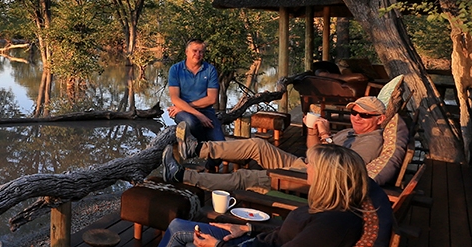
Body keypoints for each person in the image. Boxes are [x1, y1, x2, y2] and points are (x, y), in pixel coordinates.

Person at [157, 144, 375, 247]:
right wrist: (248, 229)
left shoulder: (333, 224)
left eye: (311, 164)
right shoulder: (328, 207)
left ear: (326, 176)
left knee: (178, 231)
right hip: (254, 239)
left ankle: (181, 173)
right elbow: (289, 235)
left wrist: (218, 246)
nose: (306, 166)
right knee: (178, 228)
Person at [162, 96, 390, 192]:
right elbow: (314, 152)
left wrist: (327, 135)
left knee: (247, 177)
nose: (356, 118)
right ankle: (195, 149)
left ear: (380, 119)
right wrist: (312, 131)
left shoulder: (371, 141)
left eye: (364, 115)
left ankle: (181, 176)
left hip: (314, 180)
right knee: (257, 145)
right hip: (307, 164)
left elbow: (339, 168)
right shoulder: (350, 132)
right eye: (354, 113)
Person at [168, 38, 223, 142]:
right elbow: (175, 98)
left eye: (201, 52)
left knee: (220, 143)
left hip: (204, 110)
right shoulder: (175, 69)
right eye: (194, 51)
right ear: (186, 52)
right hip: (183, 113)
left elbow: (212, 99)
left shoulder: (210, 70)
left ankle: (205, 146)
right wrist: (199, 115)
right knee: (191, 122)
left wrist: (183, 107)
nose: (198, 54)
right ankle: (201, 145)